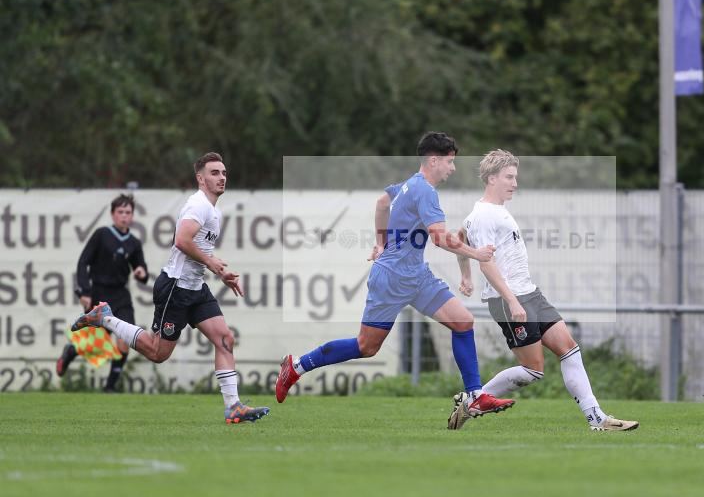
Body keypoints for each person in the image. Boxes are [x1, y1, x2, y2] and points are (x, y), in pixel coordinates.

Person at [276, 132, 516, 424]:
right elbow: (439, 238)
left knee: (463, 321)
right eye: (450, 162)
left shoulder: (408, 185)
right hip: (392, 278)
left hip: (416, 276)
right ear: (433, 160)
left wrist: (381, 243)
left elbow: (381, 203)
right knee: (367, 346)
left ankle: (475, 396)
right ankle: (297, 366)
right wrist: (477, 254)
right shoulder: (424, 190)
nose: (453, 168)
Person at [71, 152, 270, 424]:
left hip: (195, 288)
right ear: (201, 179)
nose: (221, 177)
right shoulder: (198, 205)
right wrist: (213, 263)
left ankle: (233, 407)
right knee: (157, 353)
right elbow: (182, 240)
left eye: (223, 172)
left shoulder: (214, 210)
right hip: (176, 288)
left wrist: (220, 270)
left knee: (225, 339)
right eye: (214, 173)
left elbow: (200, 249)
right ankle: (105, 318)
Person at [451, 149, 639, 432]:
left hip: (530, 292)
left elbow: (459, 239)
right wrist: (511, 300)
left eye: (516, 177)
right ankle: (475, 399)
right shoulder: (484, 215)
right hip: (509, 299)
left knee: (569, 349)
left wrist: (464, 276)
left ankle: (597, 418)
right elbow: (486, 263)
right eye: (509, 177)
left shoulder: (489, 212)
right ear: (491, 178)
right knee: (533, 370)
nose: (515, 183)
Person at [57, 194, 149, 392]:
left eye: (128, 212)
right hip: (99, 294)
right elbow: (83, 262)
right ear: (112, 214)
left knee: (125, 338)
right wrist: (84, 290)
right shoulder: (102, 234)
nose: (124, 216)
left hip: (122, 296)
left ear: (132, 215)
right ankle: (71, 351)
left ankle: (110, 387)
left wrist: (141, 273)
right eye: (120, 212)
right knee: (95, 343)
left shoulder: (134, 242)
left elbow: (141, 269)